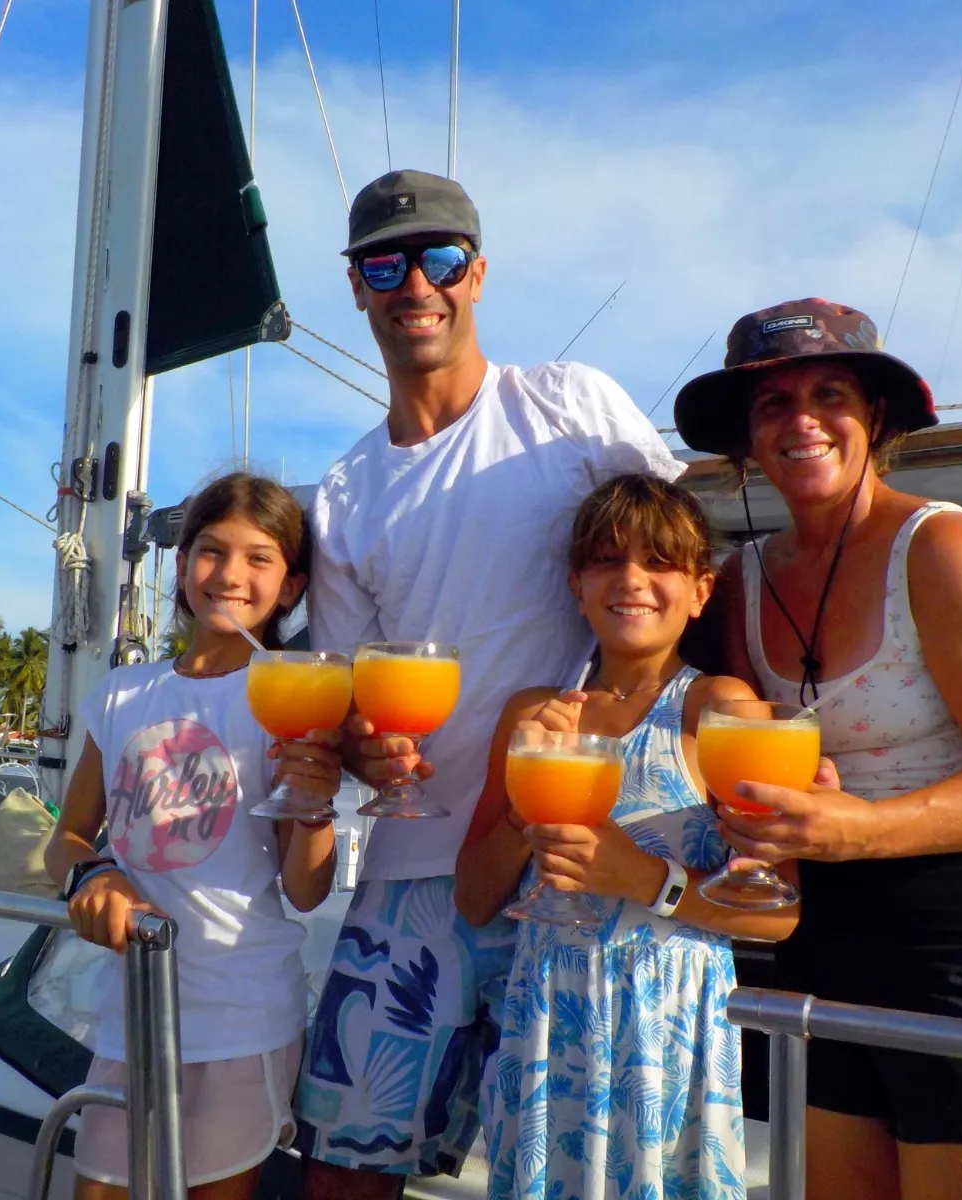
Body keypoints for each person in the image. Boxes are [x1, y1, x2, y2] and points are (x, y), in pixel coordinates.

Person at [294, 170, 684, 1197]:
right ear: (355, 284)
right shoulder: (342, 492)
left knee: (568, 1175)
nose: (413, 282)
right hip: (413, 866)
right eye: (386, 261)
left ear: (478, 273)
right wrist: (363, 748)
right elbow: (341, 702)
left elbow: (671, 570)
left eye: (438, 257)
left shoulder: (569, 404)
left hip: (572, 857)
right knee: (342, 1168)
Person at [675, 298, 962, 1200]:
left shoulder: (940, 547)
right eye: (771, 405)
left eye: (830, 394)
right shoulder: (740, 582)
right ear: (746, 443)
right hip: (825, 928)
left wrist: (859, 829)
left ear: (876, 422)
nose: (802, 421)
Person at [455, 473, 810, 1200]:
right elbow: (472, 898)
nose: (632, 580)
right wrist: (528, 807)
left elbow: (780, 912)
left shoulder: (718, 705)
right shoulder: (534, 712)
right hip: (548, 1022)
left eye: (659, 563)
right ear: (576, 585)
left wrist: (649, 880)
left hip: (669, 1032)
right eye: (608, 561)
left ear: (701, 590)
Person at [46, 472, 342, 1200]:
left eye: (260, 558)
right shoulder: (121, 694)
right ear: (181, 567)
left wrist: (313, 809)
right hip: (134, 1014)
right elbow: (68, 838)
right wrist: (95, 877)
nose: (231, 575)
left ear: (293, 585)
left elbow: (306, 891)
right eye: (211, 551)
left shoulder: (292, 694)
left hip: (242, 1017)